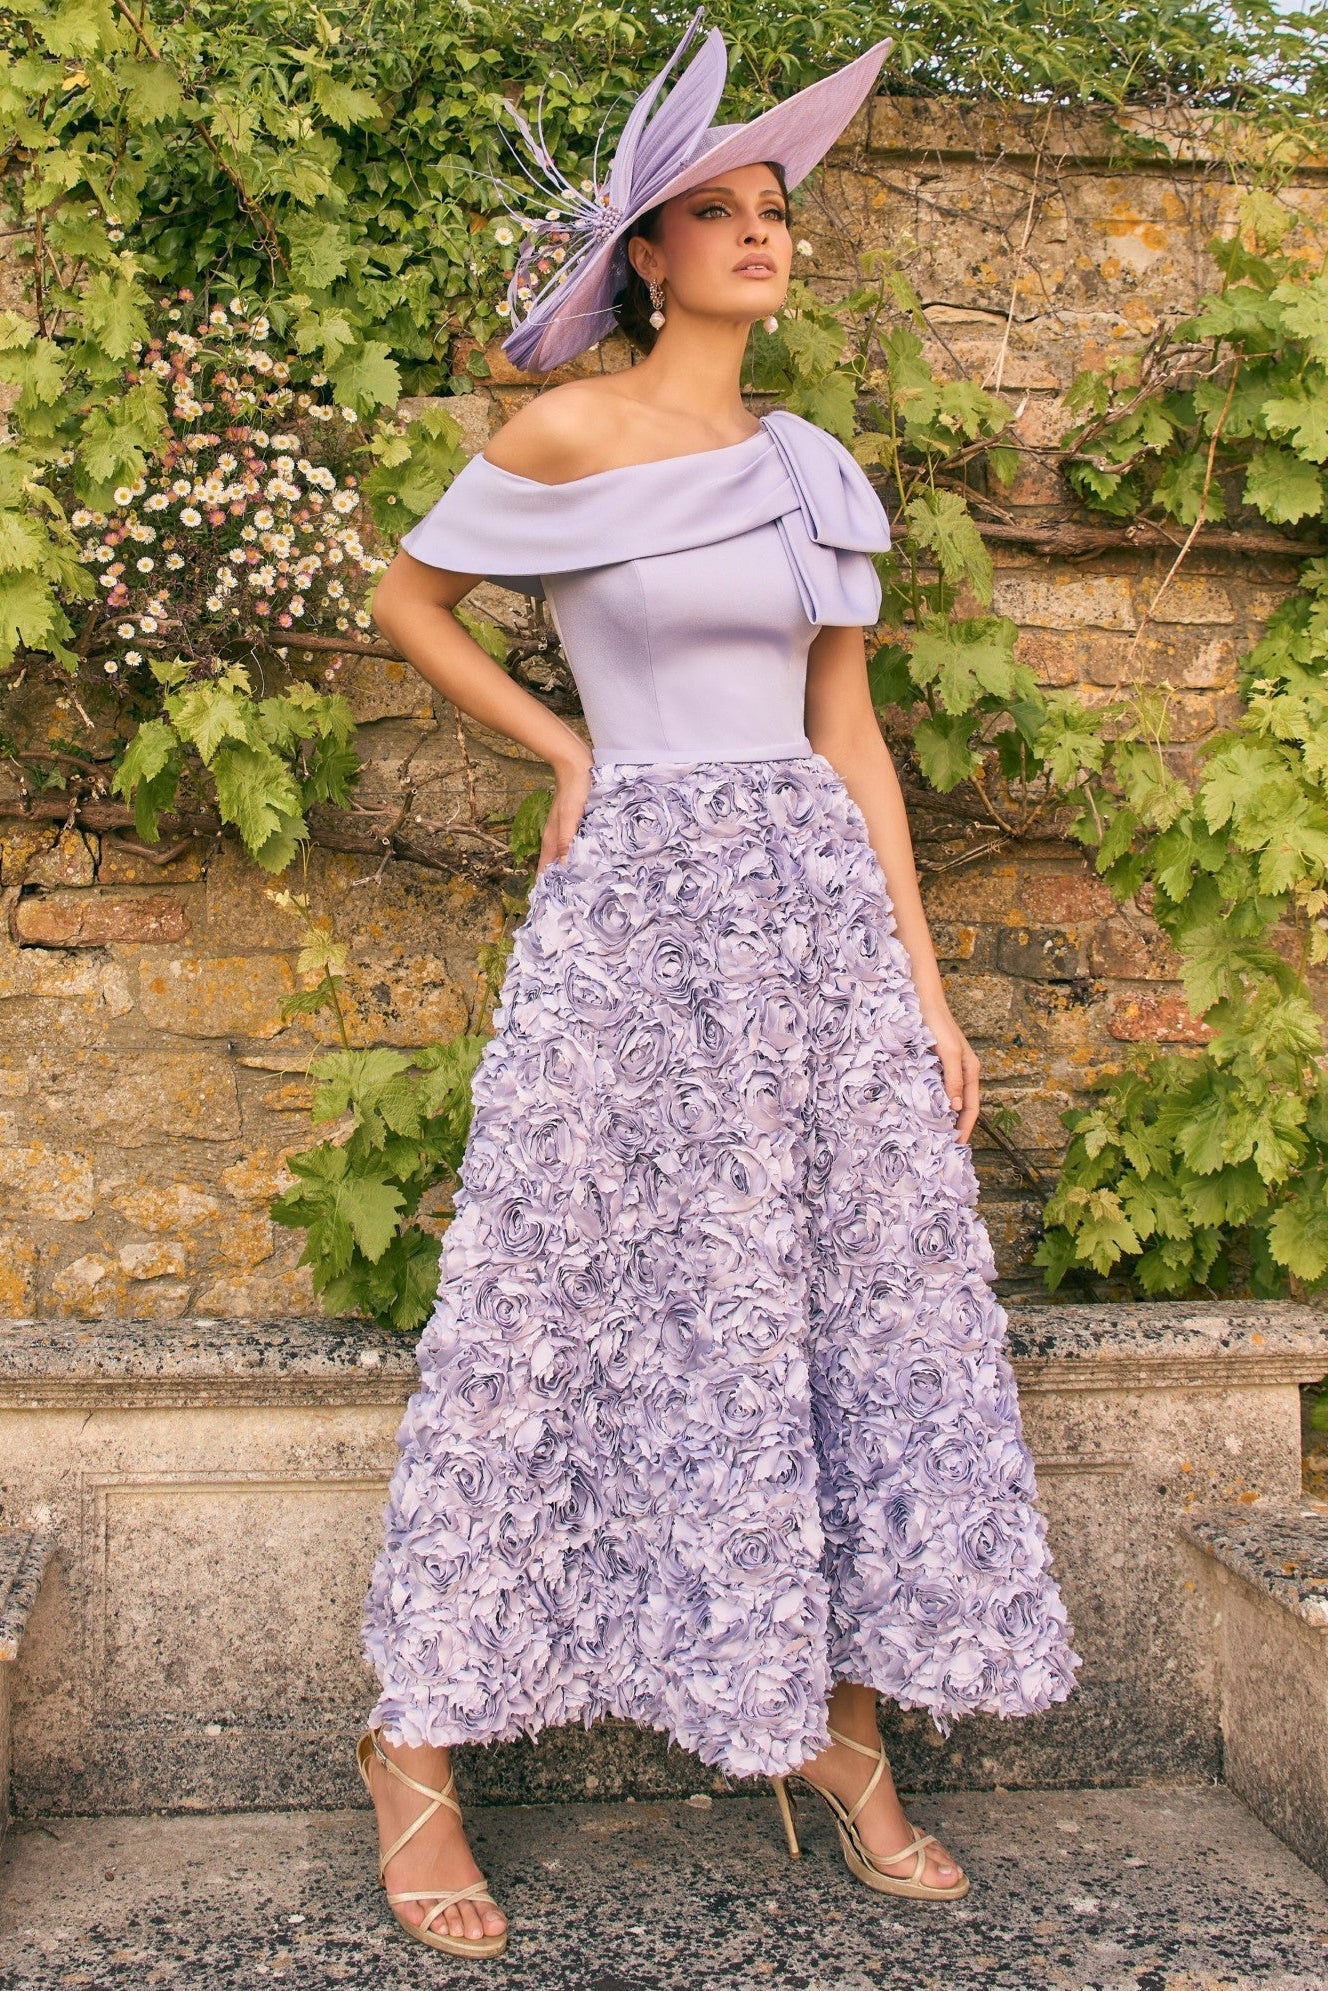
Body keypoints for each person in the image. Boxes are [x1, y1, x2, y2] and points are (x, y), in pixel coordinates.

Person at [355, 8, 1082, 1959]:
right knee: (553, 1304)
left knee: (844, 1311)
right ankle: (411, 1747)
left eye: (777, 209)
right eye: (720, 211)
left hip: (816, 930)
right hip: (636, 925)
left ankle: (830, 1728)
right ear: (644, 256)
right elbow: (411, 600)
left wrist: (926, 993)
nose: (763, 233)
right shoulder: (568, 431)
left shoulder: (810, 467)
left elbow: (853, 740)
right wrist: (565, 751)